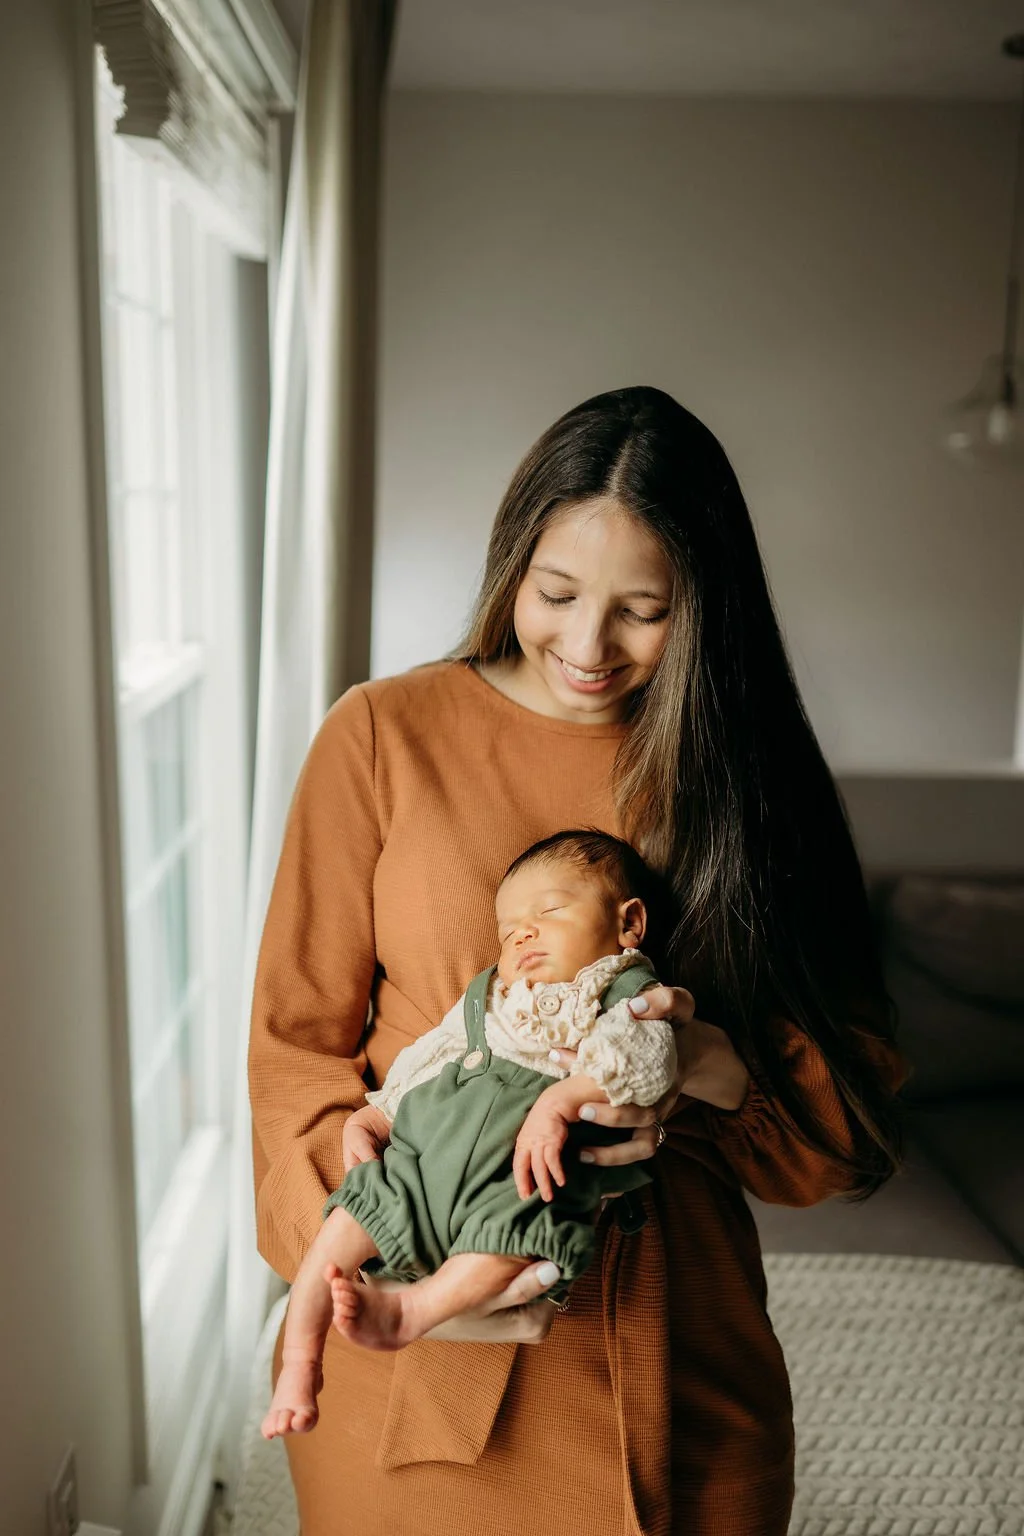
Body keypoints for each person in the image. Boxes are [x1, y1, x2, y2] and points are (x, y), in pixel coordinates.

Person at [249, 384, 910, 1535]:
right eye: (555, 594)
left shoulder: (754, 781)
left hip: (678, 1344)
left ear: (706, 609)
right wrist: (382, 1264)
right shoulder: (381, 736)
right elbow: (292, 1056)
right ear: (513, 563)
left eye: (644, 610)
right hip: (422, 1343)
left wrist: (701, 1062)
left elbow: (844, 1132)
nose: (588, 646)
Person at [260, 830, 678, 1439]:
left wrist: (563, 1099)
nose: (524, 935)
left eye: (549, 911)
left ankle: (414, 1309)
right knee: (334, 1240)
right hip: (419, 1160)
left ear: (629, 923)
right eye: (509, 931)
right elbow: (431, 1054)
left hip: (516, 1180)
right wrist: (376, 1114)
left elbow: (647, 1060)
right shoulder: (489, 997)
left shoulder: (624, 996)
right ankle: (300, 1365)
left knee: (509, 1243)